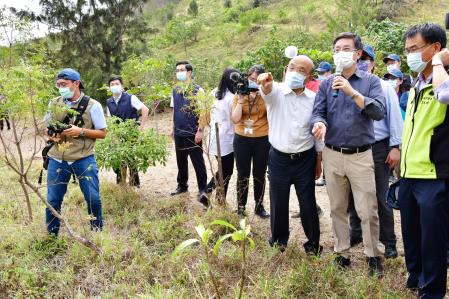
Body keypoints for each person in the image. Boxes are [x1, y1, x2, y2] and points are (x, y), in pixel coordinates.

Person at [311, 32, 386, 276]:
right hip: (333, 153)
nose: (340, 52)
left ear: (357, 53)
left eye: (346, 48)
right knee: (337, 208)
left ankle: (373, 255)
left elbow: (378, 112)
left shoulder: (370, 81)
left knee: (367, 209)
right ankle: (341, 252)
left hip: (361, 155)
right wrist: (319, 123)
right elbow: (318, 112)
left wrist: (352, 92)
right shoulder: (326, 83)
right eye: (336, 48)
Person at [399, 23, 449, 298]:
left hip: (433, 176)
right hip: (409, 174)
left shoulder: (443, 81)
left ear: (435, 48)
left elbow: (445, 95)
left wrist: (440, 64)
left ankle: (432, 292)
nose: (410, 55)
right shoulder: (416, 85)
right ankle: (416, 277)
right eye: (407, 50)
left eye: (415, 49)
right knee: (412, 234)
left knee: (433, 241)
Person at [258, 55, 323, 254]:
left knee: (308, 203)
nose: (295, 72)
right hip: (279, 158)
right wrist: (265, 84)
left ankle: (313, 245)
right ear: (286, 69)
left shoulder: (314, 99)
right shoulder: (276, 91)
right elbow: (266, 92)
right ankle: (279, 242)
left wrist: (318, 160)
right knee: (278, 202)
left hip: (305, 158)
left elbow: (317, 133)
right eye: (292, 67)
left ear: (309, 76)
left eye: (301, 70)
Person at [348, 45, 403, 260]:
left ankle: (388, 241)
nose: (363, 62)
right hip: (353, 147)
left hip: (378, 147)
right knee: (353, 194)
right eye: (359, 58)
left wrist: (395, 147)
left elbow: (395, 120)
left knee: (380, 196)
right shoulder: (345, 85)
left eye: (367, 59)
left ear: (373, 63)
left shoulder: (383, 86)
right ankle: (357, 232)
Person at [45, 68, 106, 235]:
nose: (60, 88)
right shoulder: (54, 103)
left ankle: (96, 232)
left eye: (64, 84)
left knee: (93, 198)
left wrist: (80, 131)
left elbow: (102, 133)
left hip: (83, 158)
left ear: (76, 83)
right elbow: (47, 130)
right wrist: (52, 136)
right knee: (52, 200)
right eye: (58, 85)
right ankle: (51, 236)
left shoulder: (93, 105)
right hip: (57, 158)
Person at [231, 65, 270, 218]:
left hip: (262, 138)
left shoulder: (267, 94)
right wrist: (241, 100)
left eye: (257, 80)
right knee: (242, 173)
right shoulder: (239, 93)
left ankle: (259, 206)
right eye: (251, 79)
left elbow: (273, 113)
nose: (253, 82)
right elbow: (235, 119)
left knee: (259, 174)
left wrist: (264, 95)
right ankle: (241, 206)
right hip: (242, 139)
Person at [170, 61, 209, 207]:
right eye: (177, 70)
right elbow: (174, 110)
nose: (179, 72)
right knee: (181, 160)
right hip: (179, 131)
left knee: (198, 162)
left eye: (182, 70)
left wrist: (200, 131)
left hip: (192, 132)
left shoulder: (198, 90)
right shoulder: (175, 89)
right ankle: (182, 185)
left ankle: (203, 189)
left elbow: (204, 113)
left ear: (190, 72)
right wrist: (172, 128)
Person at [106, 75, 150, 187]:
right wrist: (112, 135)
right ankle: (121, 183)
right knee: (117, 158)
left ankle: (134, 184)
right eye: (112, 84)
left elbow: (145, 110)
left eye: (117, 84)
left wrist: (140, 128)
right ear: (109, 87)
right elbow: (110, 119)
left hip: (131, 133)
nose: (115, 86)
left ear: (122, 86)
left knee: (130, 158)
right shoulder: (109, 102)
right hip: (117, 134)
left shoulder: (131, 98)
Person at [205, 68, 237, 199]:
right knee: (227, 171)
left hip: (214, 136)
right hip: (227, 139)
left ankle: (217, 197)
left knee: (223, 169)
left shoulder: (214, 92)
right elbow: (234, 119)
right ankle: (209, 193)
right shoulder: (232, 97)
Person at [314, 61, 333, 187]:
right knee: (320, 151)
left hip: (331, 126)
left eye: (323, 73)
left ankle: (328, 176)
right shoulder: (318, 86)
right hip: (321, 124)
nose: (320, 75)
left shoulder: (335, 84)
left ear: (329, 72)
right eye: (319, 73)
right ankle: (323, 175)